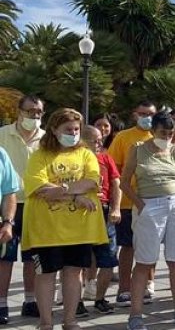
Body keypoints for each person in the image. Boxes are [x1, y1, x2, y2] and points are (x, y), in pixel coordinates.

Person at [22, 108, 109, 330]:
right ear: (54, 129)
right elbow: (39, 186)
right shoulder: (40, 155)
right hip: (47, 229)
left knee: (73, 272)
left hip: (79, 228)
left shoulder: (85, 153)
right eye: (67, 129)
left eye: (76, 129)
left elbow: (92, 180)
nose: (73, 133)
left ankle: (70, 320)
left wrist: (65, 190)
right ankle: (46, 323)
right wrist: (75, 195)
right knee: (47, 274)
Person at [121, 111, 175, 329]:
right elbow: (124, 182)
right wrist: (141, 205)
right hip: (149, 205)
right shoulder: (137, 149)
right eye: (163, 132)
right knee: (144, 262)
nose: (167, 137)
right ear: (153, 131)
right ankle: (135, 316)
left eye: (171, 133)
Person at [0, 95, 46, 322]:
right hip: (7, 204)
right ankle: (1, 304)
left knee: (33, 258)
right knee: (5, 258)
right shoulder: (2, 135)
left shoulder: (47, 139)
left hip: (37, 205)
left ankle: (30, 301)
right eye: (30, 112)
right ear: (19, 112)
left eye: (39, 112)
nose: (34, 116)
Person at [109, 101, 157, 307]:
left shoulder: (159, 137)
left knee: (150, 246)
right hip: (129, 202)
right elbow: (114, 170)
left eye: (151, 114)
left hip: (154, 201)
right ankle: (124, 289)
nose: (147, 117)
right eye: (143, 113)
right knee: (127, 247)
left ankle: (146, 285)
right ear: (134, 114)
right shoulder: (123, 137)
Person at [81, 125, 120, 314]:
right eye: (94, 140)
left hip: (103, 211)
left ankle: (100, 298)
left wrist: (116, 208)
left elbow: (116, 183)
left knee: (108, 259)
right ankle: (76, 301)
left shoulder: (105, 157)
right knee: (78, 259)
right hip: (80, 212)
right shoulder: (74, 159)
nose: (98, 144)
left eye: (100, 140)